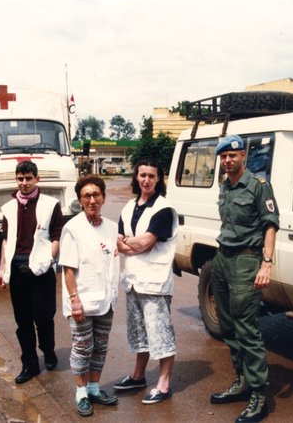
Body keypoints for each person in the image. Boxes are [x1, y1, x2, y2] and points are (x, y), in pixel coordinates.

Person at [210, 134, 279, 423]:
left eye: (232, 155)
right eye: (223, 156)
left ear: (243, 157)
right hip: (223, 259)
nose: (227, 160)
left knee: (247, 329)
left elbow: (271, 225)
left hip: (247, 261)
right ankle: (241, 382)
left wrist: (266, 263)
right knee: (228, 326)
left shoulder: (259, 186)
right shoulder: (225, 185)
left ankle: (259, 397)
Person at [114, 156, 178, 405]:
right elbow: (118, 241)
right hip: (133, 280)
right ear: (136, 177)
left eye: (152, 175)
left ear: (158, 179)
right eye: (143, 175)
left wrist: (129, 242)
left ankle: (164, 384)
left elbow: (148, 242)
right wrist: (132, 243)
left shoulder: (163, 209)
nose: (147, 180)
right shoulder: (128, 207)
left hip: (155, 282)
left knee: (160, 334)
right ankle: (138, 376)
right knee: (138, 331)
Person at [0, 160, 63, 384]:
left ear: (37, 179)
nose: (24, 183)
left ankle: (49, 351)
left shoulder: (51, 205)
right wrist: (2, 268)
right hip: (17, 269)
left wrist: (48, 262)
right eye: (20, 179)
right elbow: (6, 241)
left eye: (28, 178)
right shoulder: (8, 207)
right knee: (23, 320)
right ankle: (30, 364)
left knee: (44, 318)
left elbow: (56, 238)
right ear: (16, 180)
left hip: (41, 268)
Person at [59, 175, 120, 417]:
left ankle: (94, 388)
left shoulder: (112, 227)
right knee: (83, 348)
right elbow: (68, 269)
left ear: (103, 198)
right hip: (81, 302)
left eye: (96, 195)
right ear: (80, 200)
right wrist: (74, 299)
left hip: (106, 301)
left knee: (101, 348)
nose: (92, 200)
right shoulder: (72, 228)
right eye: (87, 196)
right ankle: (81, 393)